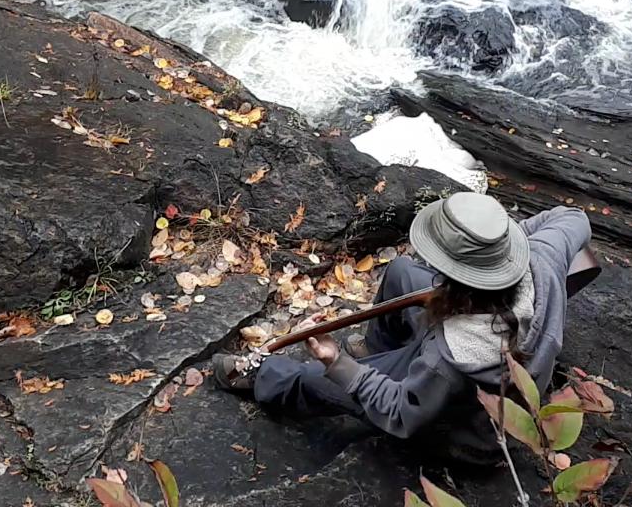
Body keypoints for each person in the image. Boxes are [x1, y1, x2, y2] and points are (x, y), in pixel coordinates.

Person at [212, 192, 592, 463]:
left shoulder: (449, 360)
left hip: (467, 432)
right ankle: (382, 353)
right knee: (401, 272)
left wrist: (337, 361)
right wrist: (505, 252)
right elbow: (575, 218)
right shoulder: (544, 255)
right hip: (482, 335)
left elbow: (401, 413)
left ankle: (262, 375)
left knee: (316, 379)